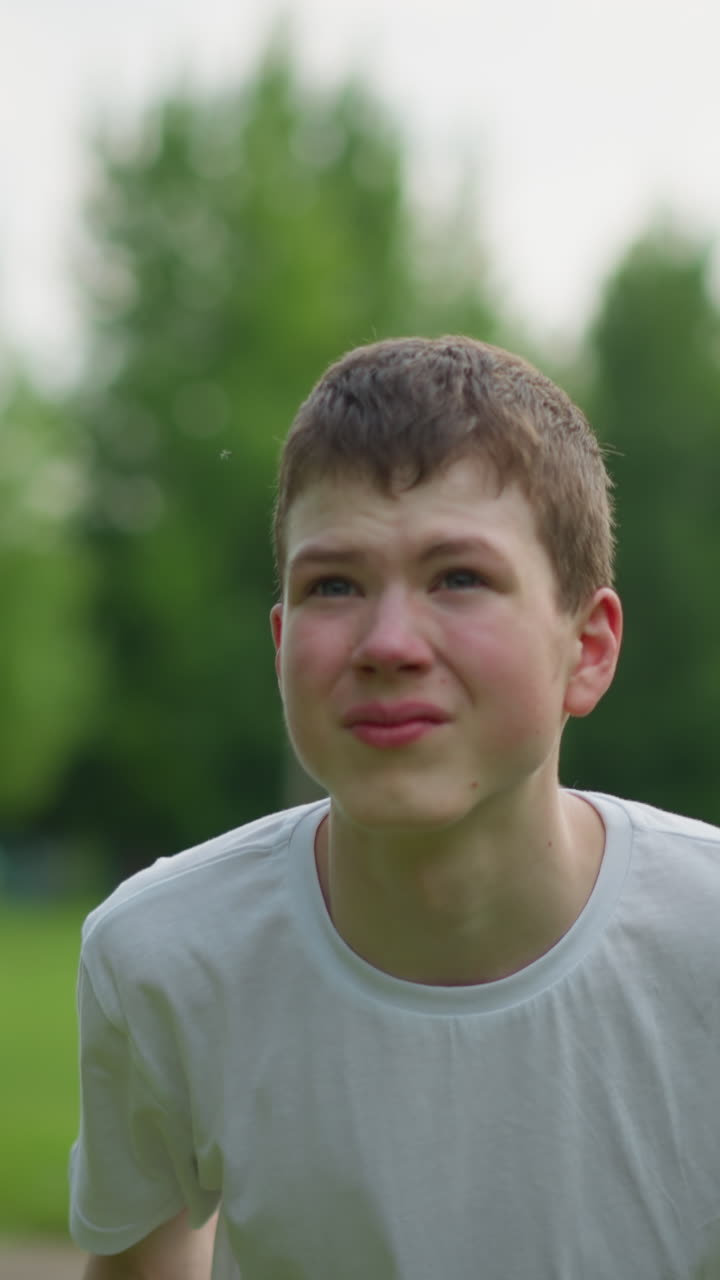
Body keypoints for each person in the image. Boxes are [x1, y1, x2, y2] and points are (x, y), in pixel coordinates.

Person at [70, 336, 720, 1279]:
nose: (387, 643)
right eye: (334, 585)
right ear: (282, 645)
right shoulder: (162, 956)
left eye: (459, 578)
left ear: (587, 648)